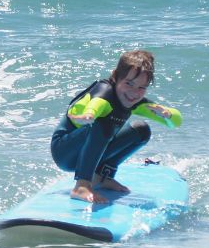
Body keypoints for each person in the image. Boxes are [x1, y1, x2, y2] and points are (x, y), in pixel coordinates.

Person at [51, 49, 182, 204]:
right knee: (101, 123)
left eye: (142, 87)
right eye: (129, 83)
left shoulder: (134, 101)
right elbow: (96, 103)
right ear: (115, 76)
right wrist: (89, 115)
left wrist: (168, 114)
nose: (134, 92)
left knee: (141, 130)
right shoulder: (104, 91)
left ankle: (102, 176)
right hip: (65, 152)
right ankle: (82, 185)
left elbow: (175, 123)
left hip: (91, 152)